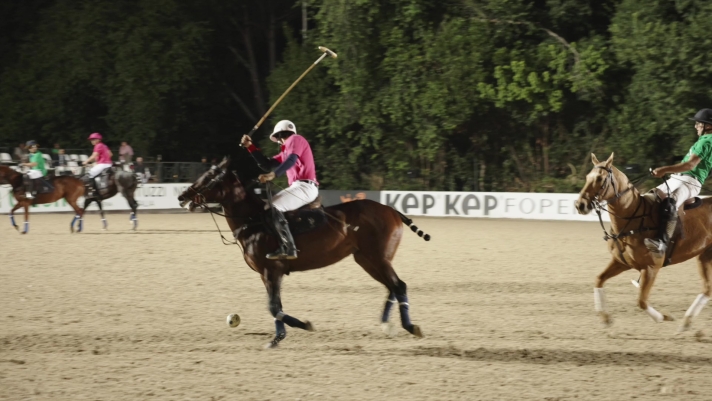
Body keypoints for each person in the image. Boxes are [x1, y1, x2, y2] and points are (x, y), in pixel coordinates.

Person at [242, 120, 318, 260]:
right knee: (266, 207)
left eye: (277, 139)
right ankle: (279, 243)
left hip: (305, 187)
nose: (278, 142)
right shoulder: (286, 151)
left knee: (273, 207)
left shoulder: (295, 139)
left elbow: (291, 161)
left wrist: (273, 175)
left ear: (279, 135)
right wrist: (250, 147)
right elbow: (266, 164)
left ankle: (289, 248)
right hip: (298, 187)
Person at [646, 108, 712, 255]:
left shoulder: (707, 141)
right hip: (677, 178)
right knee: (649, 198)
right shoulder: (702, 140)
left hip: (690, 181)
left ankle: (661, 243)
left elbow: (690, 165)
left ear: (708, 125)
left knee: (671, 202)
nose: (695, 126)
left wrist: (664, 169)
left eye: (698, 123)